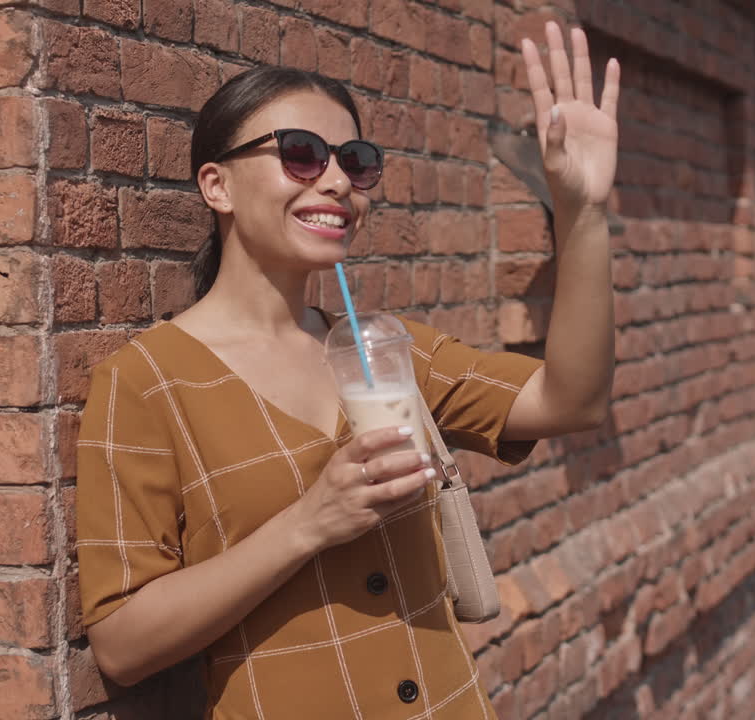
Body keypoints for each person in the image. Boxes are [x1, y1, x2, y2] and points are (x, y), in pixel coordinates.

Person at [76, 21, 620, 719]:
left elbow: (570, 400)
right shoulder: (145, 383)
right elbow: (121, 643)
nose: (337, 182)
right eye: (301, 155)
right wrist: (311, 521)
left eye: (355, 162)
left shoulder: (385, 351)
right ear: (217, 185)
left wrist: (584, 212)